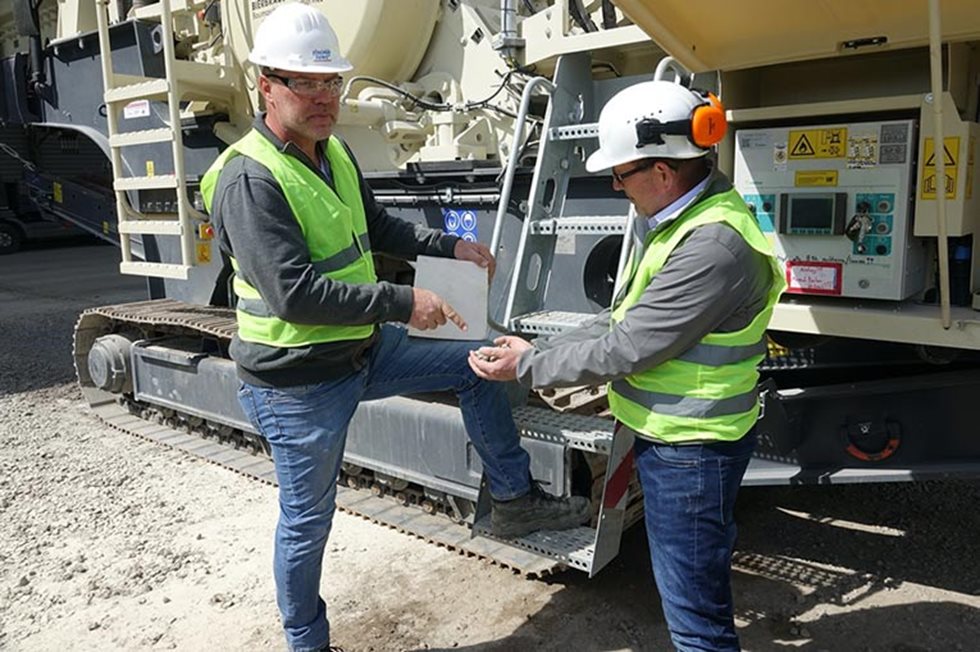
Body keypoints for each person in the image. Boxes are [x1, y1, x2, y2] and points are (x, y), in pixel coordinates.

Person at [199, 4, 589, 651]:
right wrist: (405, 303)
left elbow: (379, 230)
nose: (324, 97)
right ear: (266, 84)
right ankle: (306, 640)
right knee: (307, 521)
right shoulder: (250, 178)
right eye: (306, 82)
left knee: (479, 359)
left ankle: (515, 500)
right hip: (297, 385)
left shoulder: (334, 152)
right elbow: (294, 295)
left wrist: (449, 246)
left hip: (361, 351)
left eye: (332, 83)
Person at [469, 80, 786, 651]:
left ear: (663, 172)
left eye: (621, 174)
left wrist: (528, 369)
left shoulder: (711, 246)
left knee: (695, 621)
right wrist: (532, 350)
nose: (615, 186)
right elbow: (624, 318)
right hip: (680, 437)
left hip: (691, 448)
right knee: (694, 589)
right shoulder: (683, 221)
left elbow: (629, 347)